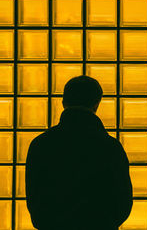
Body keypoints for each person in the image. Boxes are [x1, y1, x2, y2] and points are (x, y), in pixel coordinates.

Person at [25, 75, 133, 230]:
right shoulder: (110, 147)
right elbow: (122, 201)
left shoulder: (41, 144)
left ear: (63, 103)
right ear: (96, 104)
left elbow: (35, 198)